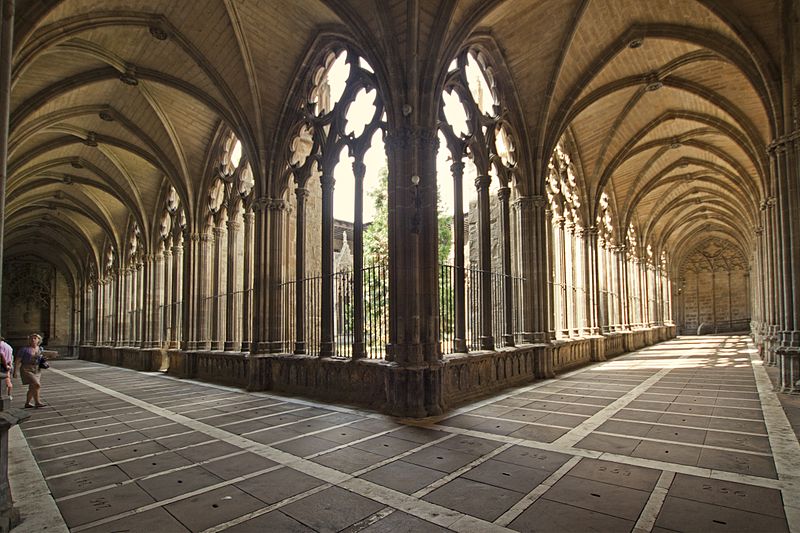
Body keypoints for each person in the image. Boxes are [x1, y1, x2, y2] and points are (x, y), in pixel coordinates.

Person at [13, 333, 47, 408]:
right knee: (37, 384)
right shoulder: (24, 349)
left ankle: (28, 403)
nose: (33, 339)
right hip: (26, 368)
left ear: (39, 340)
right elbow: (17, 361)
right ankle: (37, 402)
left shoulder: (40, 349)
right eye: (31, 338)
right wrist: (15, 371)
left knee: (33, 386)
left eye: (35, 338)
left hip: (37, 369)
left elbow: (41, 359)